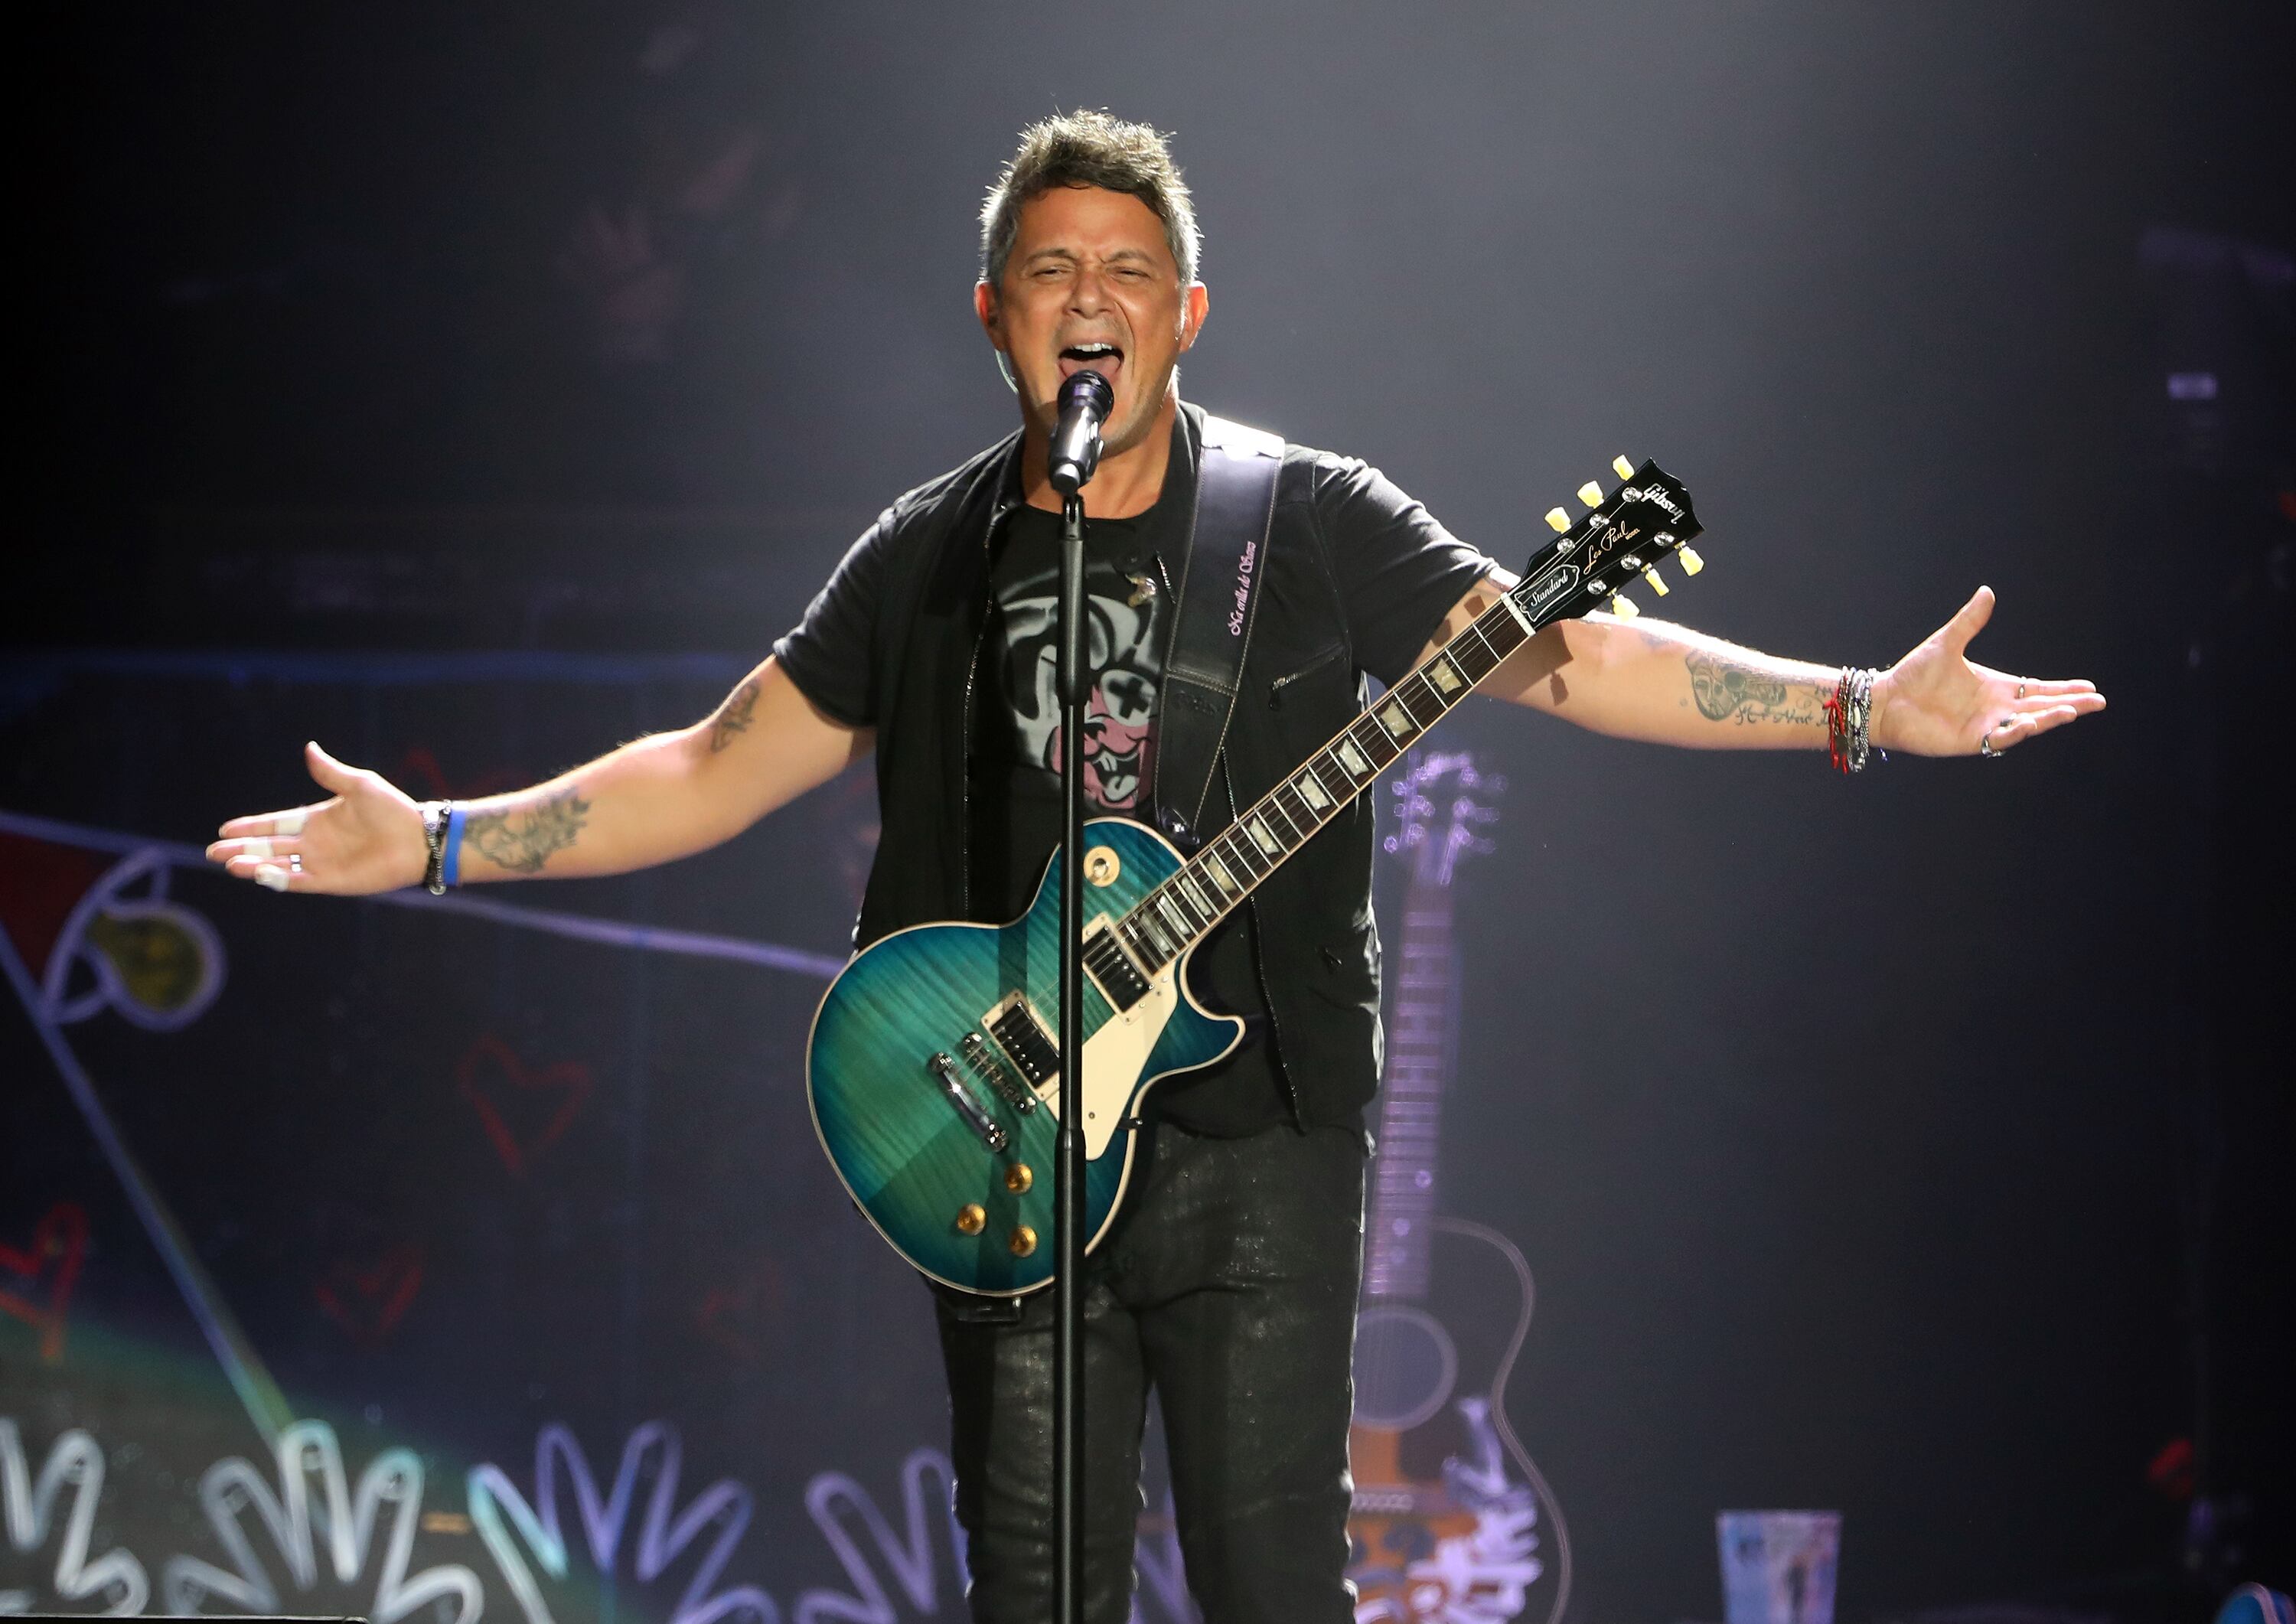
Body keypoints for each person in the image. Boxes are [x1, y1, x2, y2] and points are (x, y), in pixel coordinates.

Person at [206, 112, 2105, 1622]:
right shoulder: (927, 553)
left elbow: (1577, 655)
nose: (1088, 296)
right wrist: (442, 837)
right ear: (994, 314)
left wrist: (1862, 704)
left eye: (1129, 269)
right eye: (1051, 270)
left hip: (1261, 1132)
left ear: (1190, 311)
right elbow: (715, 765)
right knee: (1032, 1590)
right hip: (1003, 1136)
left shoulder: (1312, 519)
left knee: (1284, 1586)